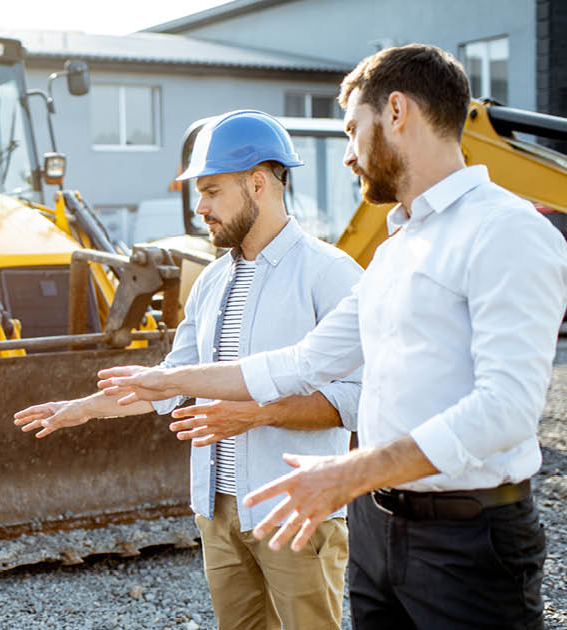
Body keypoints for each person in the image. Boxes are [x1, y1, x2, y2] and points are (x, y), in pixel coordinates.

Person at [95, 44, 567, 629]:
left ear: (396, 112)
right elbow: (304, 360)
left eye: (352, 130)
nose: (347, 155)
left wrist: (347, 474)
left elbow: (507, 411)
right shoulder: (395, 251)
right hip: (379, 528)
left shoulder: (506, 232)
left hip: (468, 540)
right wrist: (164, 380)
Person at [15, 110, 362, 630]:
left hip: (295, 510)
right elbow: (171, 382)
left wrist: (256, 415)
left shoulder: (330, 274)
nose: (200, 208)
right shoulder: (211, 281)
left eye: (212, 192)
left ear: (258, 184)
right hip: (217, 511)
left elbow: (356, 400)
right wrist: (83, 409)